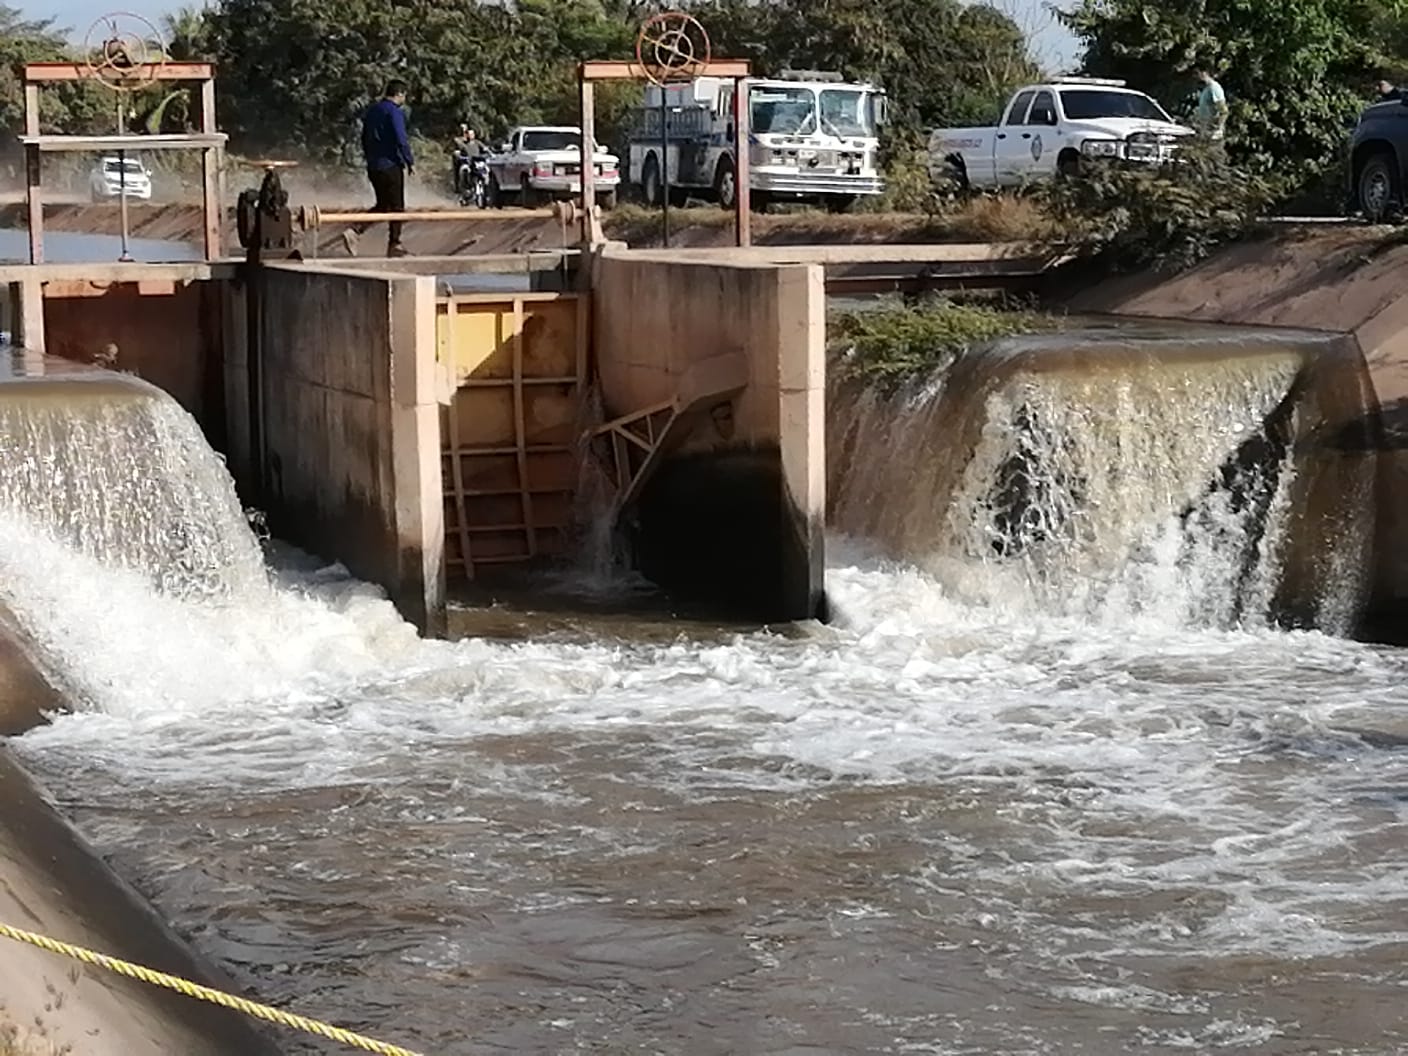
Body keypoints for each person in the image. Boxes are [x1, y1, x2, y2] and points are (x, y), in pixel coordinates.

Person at [343, 79, 414, 257]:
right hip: (390, 164)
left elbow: (364, 137)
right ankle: (394, 245)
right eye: (404, 95)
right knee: (397, 207)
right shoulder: (394, 112)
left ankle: (355, 230)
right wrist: (409, 160)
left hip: (374, 165)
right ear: (399, 94)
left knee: (383, 205)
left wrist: (369, 158)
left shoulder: (373, 110)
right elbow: (400, 138)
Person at [1194, 67, 1228, 145]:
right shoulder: (1206, 89)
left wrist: (1219, 129)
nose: (1196, 76)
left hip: (1212, 135)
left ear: (1204, 73)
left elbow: (1223, 111)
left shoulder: (1214, 88)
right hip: (1205, 134)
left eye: (1197, 73)